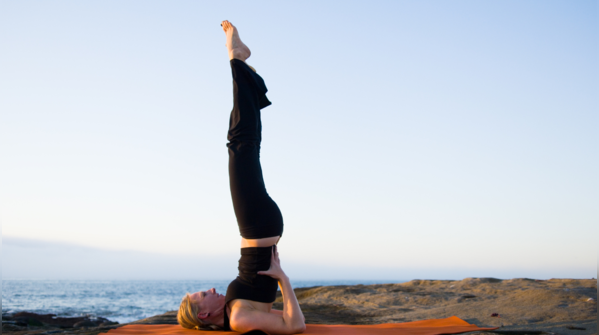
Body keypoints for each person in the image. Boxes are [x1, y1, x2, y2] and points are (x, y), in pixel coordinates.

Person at [177, 20, 306, 334]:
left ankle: (242, 65)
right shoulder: (237, 319)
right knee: (240, 146)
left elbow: (276, 315)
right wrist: (282, 278)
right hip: (257, 225)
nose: (210, 289)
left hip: (259, 228)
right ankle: (237, 59)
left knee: (246, 147)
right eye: (204, 295)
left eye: (204, 290)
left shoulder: (234, 312)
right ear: (205, 315)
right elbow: (296, 327)